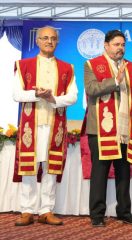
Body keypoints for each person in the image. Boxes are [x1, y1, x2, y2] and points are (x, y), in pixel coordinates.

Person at [82, 30, 132, 227]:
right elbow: (91, 89)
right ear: (106, 45)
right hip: (100, 128)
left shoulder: (131, 66)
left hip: (125, 128)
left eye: (122, 45)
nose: (120, 48)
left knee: (123, 172)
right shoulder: (92, 65)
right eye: (116, 44)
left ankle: (124, 212)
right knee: (100, 173)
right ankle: (97, 215)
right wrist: (116, 80)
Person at [12, 26, 78, 226]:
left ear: (57, 42)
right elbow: (16, 95)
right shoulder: (23, 65)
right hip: (31, 125)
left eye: (53, 38)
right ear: (38, 41)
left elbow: (73, 97)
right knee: (29, 166)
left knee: (51, 166)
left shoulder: (67, 68)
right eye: (45, 38)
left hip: (54, 124)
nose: (49, 41)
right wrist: (36, 95)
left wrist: (52, 98)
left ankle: (46, 209)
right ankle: (27, 210)